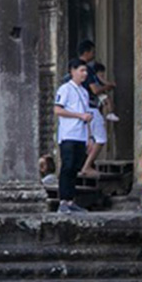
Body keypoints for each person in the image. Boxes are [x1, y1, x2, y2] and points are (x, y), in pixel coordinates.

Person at [54, 59, 93, 214]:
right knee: (67, 166)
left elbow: (88, 116)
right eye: (81, 70)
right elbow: (58, 110)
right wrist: (78, 116)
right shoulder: (65, 89)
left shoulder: (84, 91)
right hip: (68, 134)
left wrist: (90, 137)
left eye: (85, 71)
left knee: (75, 168)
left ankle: (71, 200)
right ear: (73, 71)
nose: (84, 74)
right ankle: (63, 201)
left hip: (81, 135)